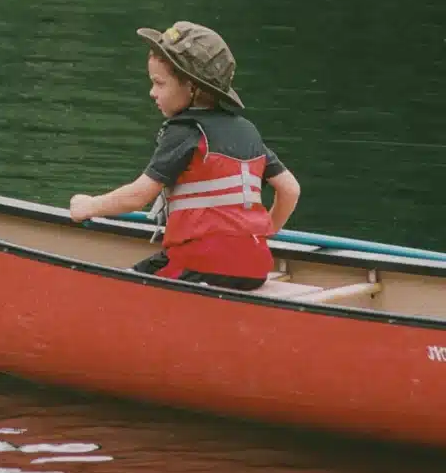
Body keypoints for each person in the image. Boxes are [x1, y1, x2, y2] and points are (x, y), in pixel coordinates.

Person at [69, 21, 300, 291]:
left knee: (117, 289)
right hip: (256, 267)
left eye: (159, 83)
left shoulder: (185, 131)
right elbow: (290, 189)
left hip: (201, 263)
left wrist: (89, 205)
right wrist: (263, 233)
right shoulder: (248, 131)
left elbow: (138, 196)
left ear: (192, 87)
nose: (152, 92)